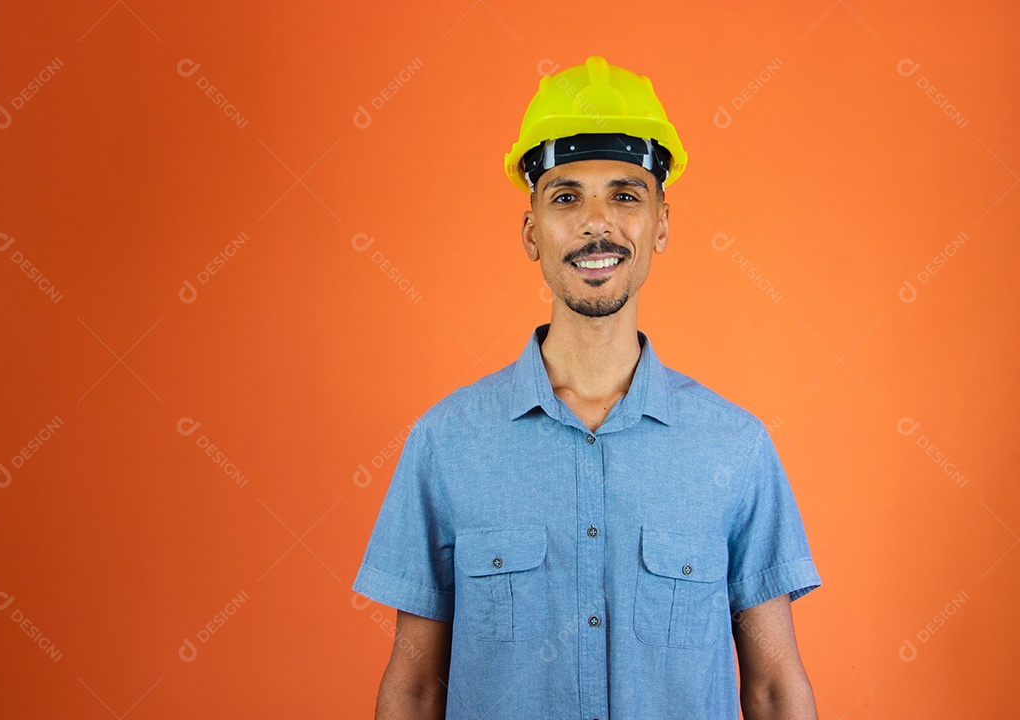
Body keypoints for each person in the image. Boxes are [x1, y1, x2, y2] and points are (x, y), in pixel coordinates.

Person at [352, 55, 821, 719]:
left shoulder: (735, 447)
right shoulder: (445, 443)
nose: (596, 222)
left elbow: (774, 690)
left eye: (625, 195)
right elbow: (415, 689)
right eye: (566, 197)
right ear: (531, 232)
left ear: (661, 224)